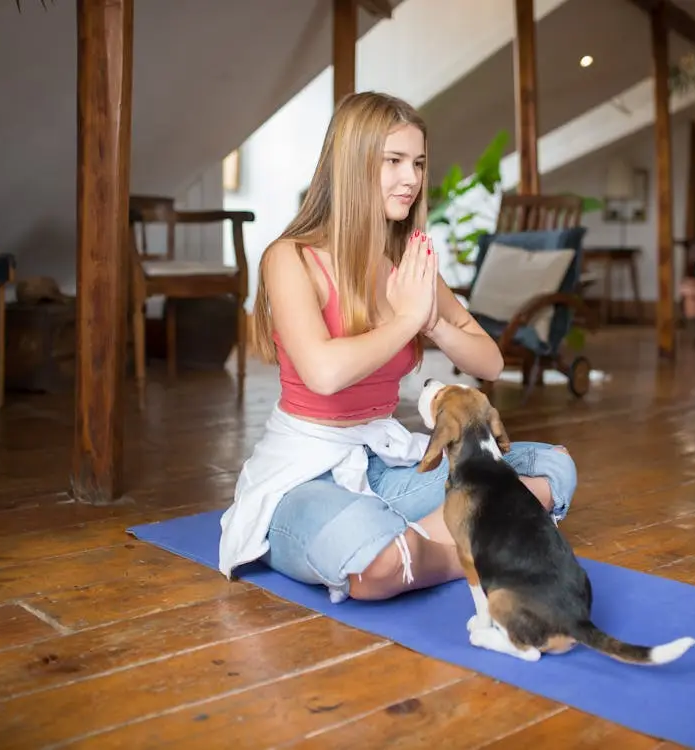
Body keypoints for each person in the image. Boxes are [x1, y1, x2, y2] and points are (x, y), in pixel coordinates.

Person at [217, 91, 577, 604]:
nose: (411, 178)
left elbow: (490, 360)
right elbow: (322, 372)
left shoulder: (405, 266)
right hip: (304, 474)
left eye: (418, 163)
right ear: (352, 163)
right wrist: (407, 316)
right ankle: (477, 545)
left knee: (553, 468)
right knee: (373, 559)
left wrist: (434, 322)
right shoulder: (290, 258)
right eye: (393, 161)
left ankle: (423, 544)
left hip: (380, 461)